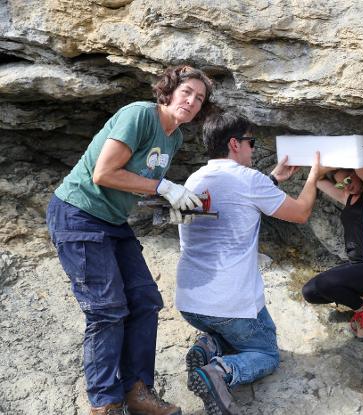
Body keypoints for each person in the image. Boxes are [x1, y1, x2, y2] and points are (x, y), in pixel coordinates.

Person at [46, 65, 214, 415]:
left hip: (112, 220)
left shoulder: (175, 138)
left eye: (199, 99)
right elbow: (105, 173)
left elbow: (137, 182)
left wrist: (173, 203)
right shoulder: (139, 115)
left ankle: (137, 392)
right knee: (106, 309)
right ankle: (105, 404)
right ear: (168, 91)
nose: (192, 101)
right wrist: (164, 187)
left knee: (144, 301)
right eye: (187, 92)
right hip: (79, 212)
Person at [176, 112, 330, 415]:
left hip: (190, 303)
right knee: (266, 353)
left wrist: (272, 178)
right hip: (229, 306)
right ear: (235, 144)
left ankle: (209, 346)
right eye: (251, 142)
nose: (253, 148)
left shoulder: (195, 179)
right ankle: (219, 372)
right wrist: (315, 175)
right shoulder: (248, 180)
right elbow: (300, 213)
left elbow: (235, 201)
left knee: (236, 332)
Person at [302, 167, 363, 340]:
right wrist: (330, 168)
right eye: (340, 185)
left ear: (357, 174)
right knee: (309, 293)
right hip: (357, 267)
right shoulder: (347, 197)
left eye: (348, 181)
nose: (346, 187)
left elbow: (360, 163)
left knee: (324, 284)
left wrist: (339, 161)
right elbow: (317, 179)